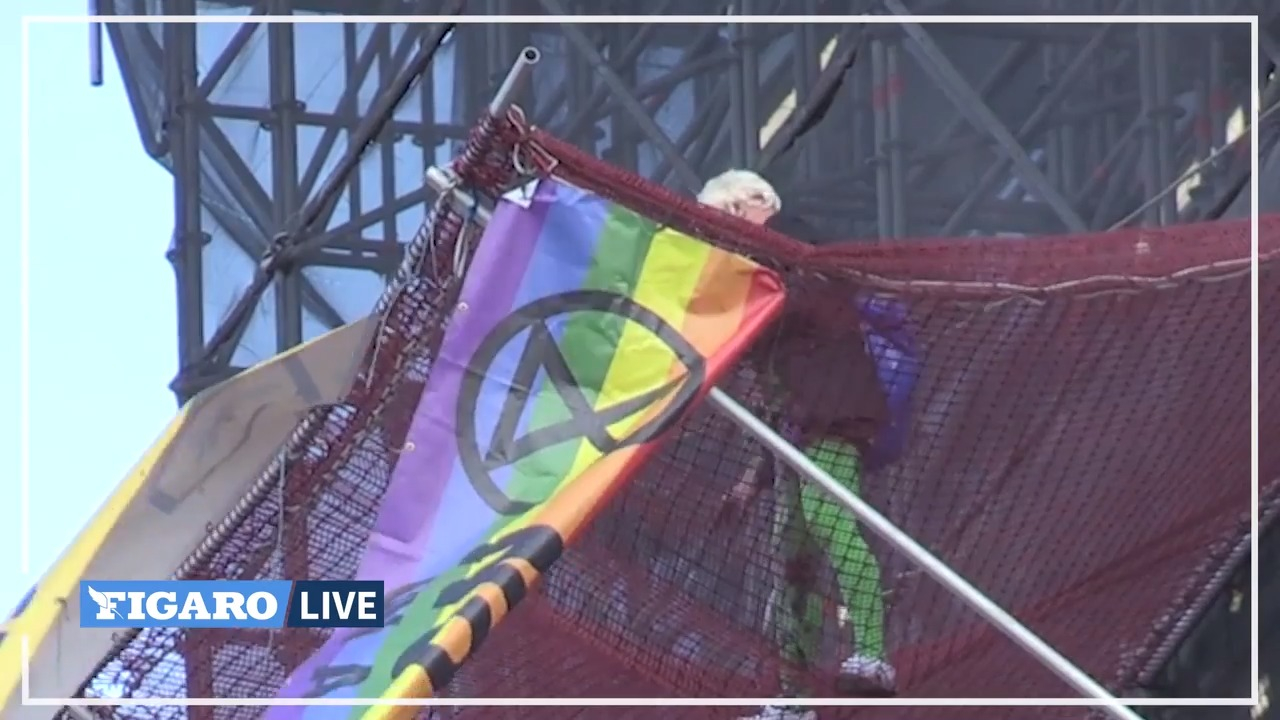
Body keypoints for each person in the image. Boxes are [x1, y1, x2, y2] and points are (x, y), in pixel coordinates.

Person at [698, 169, 915, 720]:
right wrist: (753, 480)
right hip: (801, 429)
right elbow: (779, 392)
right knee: (793, 556)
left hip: (836, 420)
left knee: (828, 520)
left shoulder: (794, 244)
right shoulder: (764, 274)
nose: (721, 236)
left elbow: (803, 318)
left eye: (725, 219)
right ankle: (794, 698)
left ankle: (872, 652)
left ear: (753, 203)